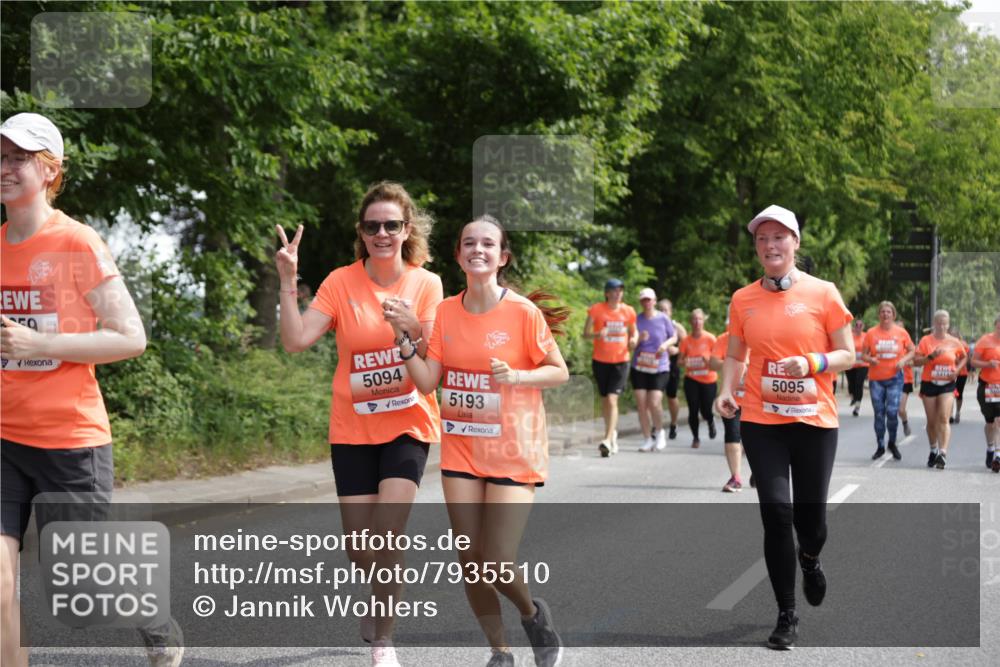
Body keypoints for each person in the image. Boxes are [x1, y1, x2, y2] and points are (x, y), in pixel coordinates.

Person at [0, 114, 175, 666]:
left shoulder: (76, 240)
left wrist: (38, 345)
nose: (5, 167)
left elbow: (130, 338)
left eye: (18, 157)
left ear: (50, 170)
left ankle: (151, 616)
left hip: (69, 442)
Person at [389, 215, 569, 667]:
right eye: (469, 242)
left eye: (488, 243)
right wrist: (407, 347)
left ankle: (532, 615)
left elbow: (559, 370)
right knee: (469, 559)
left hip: (513, 449)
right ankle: (500, 651)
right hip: (463, 447)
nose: (478, 249)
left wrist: (519, 375)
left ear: (501, 256)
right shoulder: (446, 312)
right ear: (458, 255)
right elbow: (430, 381)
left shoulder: (523, 313)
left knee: (496, 559)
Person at [276, 181, 443, 667]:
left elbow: (436, 357)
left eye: (392, 225)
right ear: (362, 232)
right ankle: (381, 590)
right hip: (352, 426)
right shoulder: (340, 281)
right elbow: (295, 340)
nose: (383, 233)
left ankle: (385, 641)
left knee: (388, 533)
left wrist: (410, 325)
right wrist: (288, 280)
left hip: (408, 422)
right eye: (373, 226)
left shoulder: (425, 284)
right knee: (358, 545)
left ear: (406, 229)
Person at [715, 204, 854, 650]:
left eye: (779, 238)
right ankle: (786, 614)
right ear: (756, 248)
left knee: (811, 523)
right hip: (762, 419)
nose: (770, 246)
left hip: (814, 419)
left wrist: (813, 362)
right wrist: (726, 389)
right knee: (776, 512)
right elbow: (735, 355)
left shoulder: (824, 293)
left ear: (795, 243)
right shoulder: (743, 299)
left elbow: (848, 354)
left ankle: (810, 558)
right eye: (762, 239)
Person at [584, 278, 637, 456]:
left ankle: (606, 439)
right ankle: (611, 433)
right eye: (614, 290)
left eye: (620, 290)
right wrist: (598, 334)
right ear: (607, 293)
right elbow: (586, 334)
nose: (617, 294)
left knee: (613, 399)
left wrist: (634, 339)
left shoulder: (628, 311)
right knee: (605, 400)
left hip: (621, 361)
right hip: (600, 360)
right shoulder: (596, 309)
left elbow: (633, 331)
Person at [860, 301, 914, 460]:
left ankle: (892, 442)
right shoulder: (871, 333)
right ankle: (880, 446)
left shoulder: (901, 332)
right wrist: (871, 359)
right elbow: (863, 355)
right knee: (879, 414)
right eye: (882, 312)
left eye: (888, 312)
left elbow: (912, 350)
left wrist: (903, 360)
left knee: (892, 412)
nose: (885, 314)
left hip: (895, 378)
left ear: (893, 315)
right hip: (876, 379)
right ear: (879, 315)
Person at [914, 310, 967, 470]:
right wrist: (930, 356)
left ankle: (942, 453)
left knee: (943, 417)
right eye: (938, 323)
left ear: (948, 324)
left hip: (947, 384)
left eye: (945, 323)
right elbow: (916, 361)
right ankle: (933, 450)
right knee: (931, 421)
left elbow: (964, 356)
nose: (942, 326)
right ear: (934, 324)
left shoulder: (954, 341)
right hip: (929, 382)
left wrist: (957, 370)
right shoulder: (926, 340)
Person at [710, 308, 749, 491]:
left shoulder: (759, 337)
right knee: (733, 433)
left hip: (754, 399)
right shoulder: (723, 339)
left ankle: (758, 472)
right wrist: (732, 361)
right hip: (731, 397)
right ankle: (736, 477)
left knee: (753, 439)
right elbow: (713, 362)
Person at [633, 288, 676, 452]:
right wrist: (639, 340)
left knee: (654, 401)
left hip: (659, 366)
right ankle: (647, 438)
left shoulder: (663, 318)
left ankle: (659, 432)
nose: (646, 303)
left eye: (649, 300)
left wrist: (665, 345)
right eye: (644, 300)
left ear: (655, 301)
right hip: (640, 365)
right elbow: (631, 344)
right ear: (640, 302)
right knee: (641, 403)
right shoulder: (637, 320)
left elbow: (674, 337)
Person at [678, 308, 717, 448]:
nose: (697, 322)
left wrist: (708, 361)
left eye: (699, 319)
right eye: (694, 319)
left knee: (706, 410)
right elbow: (679, 361)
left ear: (703, 321)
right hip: (691, 379)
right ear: (690, 321)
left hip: (709, 380)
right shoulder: (685, 340)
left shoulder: (710, 338)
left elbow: (718, 360)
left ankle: (710, 421)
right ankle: (695, 438)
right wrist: (684, 362)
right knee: (693, 409)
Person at [971, 313, 1000, 472]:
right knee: (990, 422)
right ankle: (990, 448)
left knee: (999, 420)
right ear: (996, 325)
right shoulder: (985, 340)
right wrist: (988, 364)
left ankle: (997, 454)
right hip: (987, 386)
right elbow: (973, 361)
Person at [658, 299, 687, 440]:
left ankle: (674, 423)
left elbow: (688, 346)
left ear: (670, 311)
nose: (663, 312)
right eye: (660, 309)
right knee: (655, 397)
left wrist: (677, 350)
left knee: (671, 397)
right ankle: (656, 426)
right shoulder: (654, 324)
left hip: (672, 366)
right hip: (656, 365)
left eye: (666, 310)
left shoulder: (677, 327)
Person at [845, 318, 868, 417]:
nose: (858, 327)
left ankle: (857, 406)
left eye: (860, 325)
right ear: (854, 327)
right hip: (851, 364)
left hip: (863, 364)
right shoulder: (849, 336)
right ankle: (853, 397)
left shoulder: (866, 336)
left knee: (859, 384)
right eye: (856, 325)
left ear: (863, 327)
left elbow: (870, 348)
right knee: (851, 384)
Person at [950, 326, 970, 424]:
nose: (952, 337)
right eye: (951, 335)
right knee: (950, 393)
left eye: (954, 335)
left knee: (958, 394)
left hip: (962, 373)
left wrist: (956, 359)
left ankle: (957, 412)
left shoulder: (964, 345)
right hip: (950, 372)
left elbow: (965, 359)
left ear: (958, 335)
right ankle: (949, 415)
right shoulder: (947, 344)